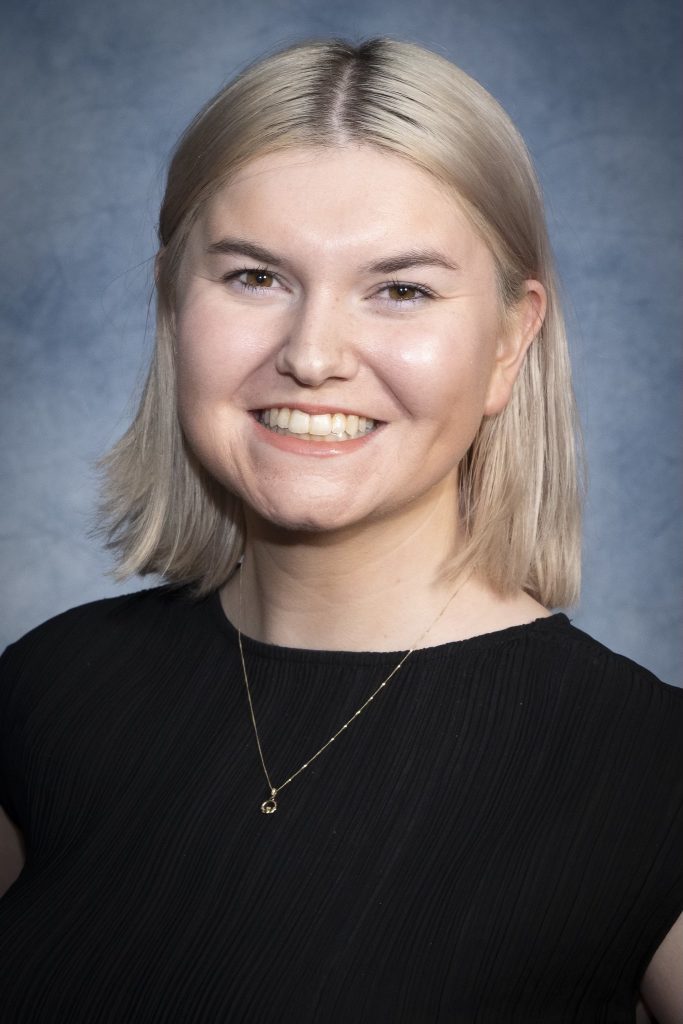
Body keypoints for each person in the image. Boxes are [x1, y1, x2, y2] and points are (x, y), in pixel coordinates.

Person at [0, 37, 681, 1023]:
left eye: (399, 288)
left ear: (507, 342)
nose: (312, 355)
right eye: (252, 277)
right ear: (170, 299)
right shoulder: (50, 688)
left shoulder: (648, 771)